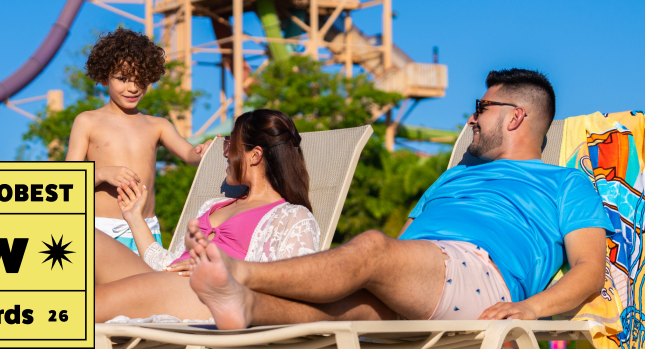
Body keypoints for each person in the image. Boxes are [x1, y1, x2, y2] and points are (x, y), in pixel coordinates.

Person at [188, 68, 614, 328]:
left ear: (516, 115)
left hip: (484, 278)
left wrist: (531, 309)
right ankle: (247, 305)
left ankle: (242, 274)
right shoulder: (452, 177)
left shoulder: (565, 184)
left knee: (371, 248)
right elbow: (405, 246)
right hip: (424, 278)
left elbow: (590, 270)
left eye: (481, 107)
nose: (471, 118)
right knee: (341, 310)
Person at [96, 109, 320, 323]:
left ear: (255, 155)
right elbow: (170, 265)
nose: (224, 152)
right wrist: (134, 216)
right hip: (169, 285)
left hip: (211, 297)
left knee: (90, 303)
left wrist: (221, 271)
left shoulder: (293, 216)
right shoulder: (211, 206)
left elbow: (296, 288)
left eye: (229, 144)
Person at [69, 28, 213, 254]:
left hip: (146, 231)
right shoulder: (87, 121)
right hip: (100, 230)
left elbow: (191, 155)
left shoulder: (158, 125)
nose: (133, 87)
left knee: (149, 288)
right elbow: (68, 182)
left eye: (140, 79)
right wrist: (102, 173)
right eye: (123, 79)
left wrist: (206, 150)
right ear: (104, 76)